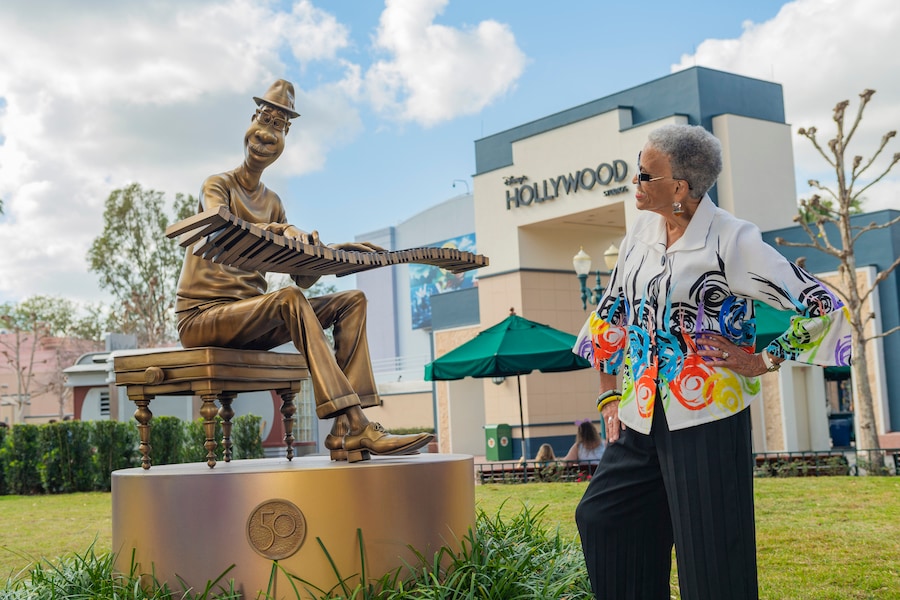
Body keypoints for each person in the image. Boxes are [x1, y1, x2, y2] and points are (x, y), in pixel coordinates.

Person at [572, 124, 851, 599]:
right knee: (603, 516)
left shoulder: (733, 241)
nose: (634, 183)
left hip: (707, 418)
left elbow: (826, 305)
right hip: (639, 416)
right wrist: (608, 394)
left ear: (679, 186)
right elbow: (611, 311)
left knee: (711, 560)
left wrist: (763, 359)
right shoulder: (641, 233)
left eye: (645, 175)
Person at [175, 80, 432, 463]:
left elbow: (301, 277)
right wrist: (286, 232)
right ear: (251, 120)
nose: (268, 132)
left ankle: (346, 432)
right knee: (290, 300)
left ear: (285, 137)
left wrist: (335, 252)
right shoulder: (218, 185)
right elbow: (222, 227)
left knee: (351, 301)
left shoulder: (273, 202)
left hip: (249, 320)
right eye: (265, 119)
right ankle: (357, 423)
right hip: (203, 318)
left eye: (279, 126)